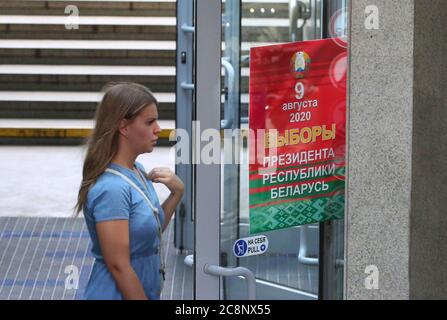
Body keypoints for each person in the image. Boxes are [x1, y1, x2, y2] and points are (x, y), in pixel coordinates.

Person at [74, 82, 184, 300]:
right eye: (149, 122)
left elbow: (146, 232)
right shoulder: (112, 190)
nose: (158, 129)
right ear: (124, 127)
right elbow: (118, 266)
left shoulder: (136, 170)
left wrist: (176, 194)